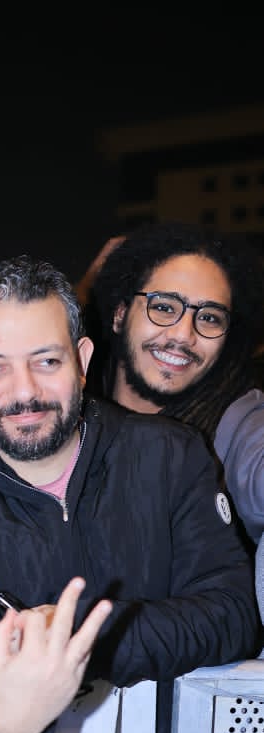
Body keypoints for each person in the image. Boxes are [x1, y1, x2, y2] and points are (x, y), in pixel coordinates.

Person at [0, 254, 261, 733]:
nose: (24, 391)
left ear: (82, 360)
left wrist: (74, 637)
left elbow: (233, 614)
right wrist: (12, 716)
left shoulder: (170, 454)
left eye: (46, 361)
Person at [84, 222, 264, 548]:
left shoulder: (235, 420)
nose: (183, 335)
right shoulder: (72, 401)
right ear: (120, 315)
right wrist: (80, 295)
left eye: (209, 317)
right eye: (164, 307)